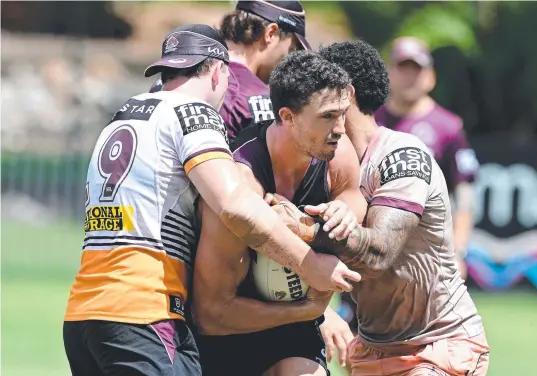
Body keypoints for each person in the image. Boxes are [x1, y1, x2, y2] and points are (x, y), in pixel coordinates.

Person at [63, 25, 360, 376]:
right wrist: (310, 267)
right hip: (144, 311)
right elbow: (234, 204)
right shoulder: (195, 113)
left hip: (84, 314)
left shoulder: (123, 115)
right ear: (220, 73)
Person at [268, 40, 489, 376]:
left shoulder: (402, 155)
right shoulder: (321, 165)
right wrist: (321, 312)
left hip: (438, 342)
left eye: (318, 86)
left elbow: (378, 254)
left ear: (347, 94)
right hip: (372, 347)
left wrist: (303, 227)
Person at [192, 52, 366, 376]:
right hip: (231, 330)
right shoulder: (241, 180)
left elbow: (353, 196)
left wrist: (345, 211)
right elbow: (212, 312)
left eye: (343, 114)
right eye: (328, 116)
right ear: (288, 117)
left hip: (294, 330)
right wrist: (310, 311)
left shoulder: (336, 154)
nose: (341, 129)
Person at [374, 37, 480, 279]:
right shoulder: (370, 121)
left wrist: (458, 252)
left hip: (428, 252)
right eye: (403, 69)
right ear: (389, 73)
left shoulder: (448, 127)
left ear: (430, 76)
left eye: (417, 70)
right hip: (376, 246)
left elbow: (464, 197)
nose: (410, 77)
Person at [219, 0, 311, 141]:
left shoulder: (190, 69)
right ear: (271, 34)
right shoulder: (258, 97)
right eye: (291, 49)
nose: (288, 61)